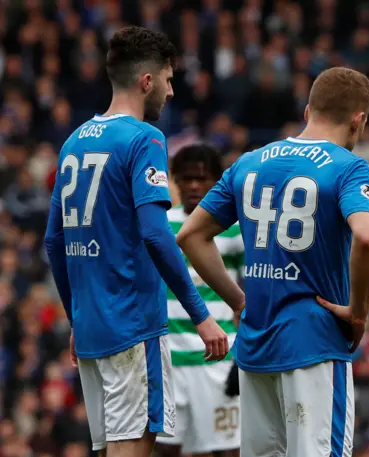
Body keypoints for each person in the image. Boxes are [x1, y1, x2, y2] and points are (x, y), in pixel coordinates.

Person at [43, 26, 241, 457]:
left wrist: (75, 318)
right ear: (146, 80)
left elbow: (54, 240)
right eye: (169, 80)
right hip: (133, 325)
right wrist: (201, 315)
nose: (171, 92)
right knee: (134, 448)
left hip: (93, 327)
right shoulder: (145, 139)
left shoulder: (74, 141)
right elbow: (155, 233)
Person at [176, 66, 369, 457]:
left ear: (308, 111)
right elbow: (368, 237)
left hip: (256, 345)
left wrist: (239, 301)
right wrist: (359, 311)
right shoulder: (349, 167)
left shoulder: (249, 162)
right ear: (359, 120)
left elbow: (190, 236)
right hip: (315, 343)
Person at [155, 144, 243, 457]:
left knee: (227, 451)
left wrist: (243, 354)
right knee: (165, 450)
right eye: (187, 178)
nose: (194, 185)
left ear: (217, 181)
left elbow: (252, 294)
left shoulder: (233, 229)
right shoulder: (160, 225)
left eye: (202, 179)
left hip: (220, 360)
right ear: (175, 181)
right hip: (168, 359)